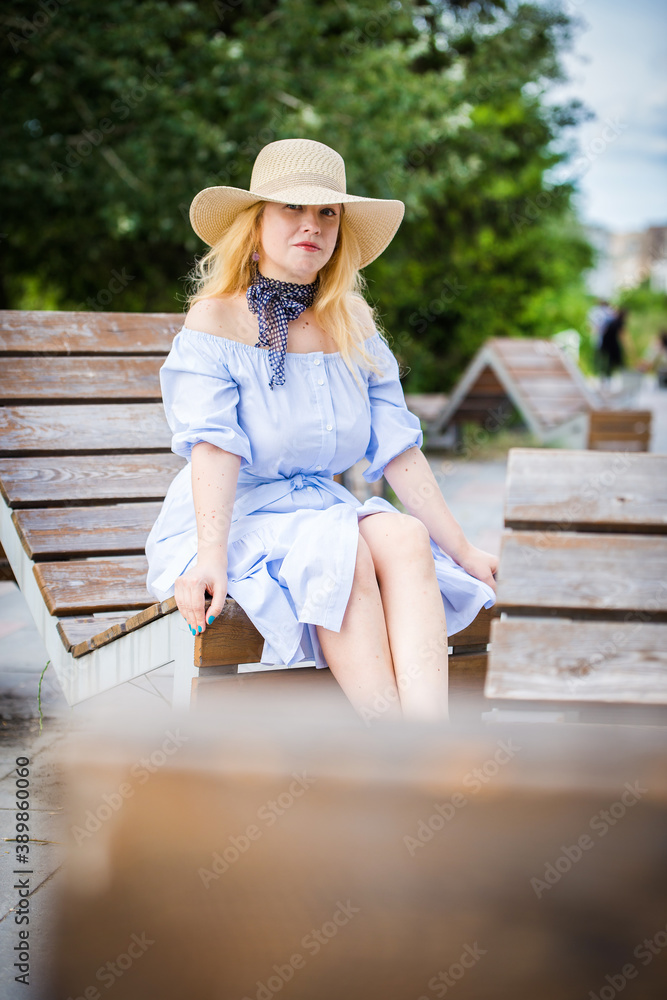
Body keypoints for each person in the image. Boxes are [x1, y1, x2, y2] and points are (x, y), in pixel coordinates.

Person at [145, 138, 497, 723]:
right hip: (237, 517)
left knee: (406, 538)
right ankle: (395, 746)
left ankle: (430, 742)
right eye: (292, 208)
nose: (311, 225)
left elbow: (399, 450)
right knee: (344, 551)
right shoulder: (217, 320)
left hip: (321, 509)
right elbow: (214, 447)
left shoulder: (353, 324)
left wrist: (462, 550)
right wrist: (208, 559)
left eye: (326, 212)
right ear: (256, 223)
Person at [598, 306, 627, 380]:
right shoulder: (618, 321)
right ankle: (622, 376)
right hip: (610, 343)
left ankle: (607, 376)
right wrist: (626, 347)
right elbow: (622, 336)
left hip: (608, 343)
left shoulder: (614, 320)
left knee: (611, 360)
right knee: (616, 360)